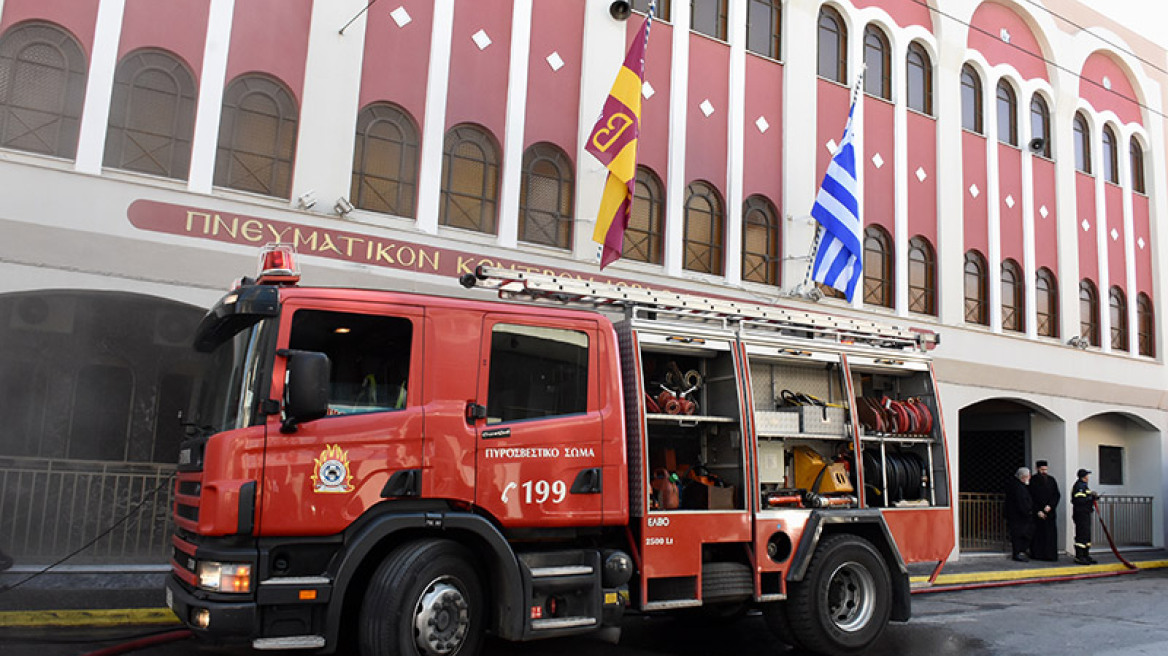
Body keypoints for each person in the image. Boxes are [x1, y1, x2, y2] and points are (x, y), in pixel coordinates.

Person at [1029, 459, 1061, 561]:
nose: (1044, 472)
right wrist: (1038, 511)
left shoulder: (1051, 480)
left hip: (1050, 513)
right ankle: (1038, 555)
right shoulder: (1032, 480)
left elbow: (1056, 495)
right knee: (1038, 535)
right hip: (1038, 513)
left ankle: (1050, 555)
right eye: (1042, 469)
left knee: (1050, 535)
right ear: (1037, 469)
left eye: (1046, 469)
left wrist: (1050, 506)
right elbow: (1030, 497)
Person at [1004, 467, 1034, 562]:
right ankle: (1018, 553)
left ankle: (1020, 552)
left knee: (1022, 534)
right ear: (1024, 476)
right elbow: (1021, 502)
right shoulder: (1018, 487)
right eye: (1028, 476)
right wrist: (1028, 511)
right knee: (1019, 535)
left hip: (1017, 515)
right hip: (1018, 516)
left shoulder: (1017, 485)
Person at [1071, 468, 1099, 565]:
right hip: (1081, 514)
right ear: (1084, 477)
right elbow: (1079, 500)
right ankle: (1079, 556)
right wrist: (1090, 498)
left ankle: (1085, 555)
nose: (1088, 477)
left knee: (1086, 535)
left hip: (1085, 513)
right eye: (1087, 475)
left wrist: (1093, 497)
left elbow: (1086, 498)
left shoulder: (1084, 486)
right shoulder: (1079, 486)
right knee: (1081, 535)